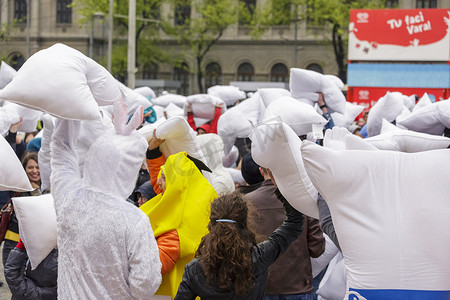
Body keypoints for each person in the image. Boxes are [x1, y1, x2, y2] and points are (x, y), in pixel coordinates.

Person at [50, 102, 161, 299]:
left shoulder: (69, 196)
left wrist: (69, 107)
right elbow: (145, 285)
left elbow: (61, 150)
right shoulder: (134, 221)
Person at [175, 189, 305, 299]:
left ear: (211, 225)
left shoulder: (194, 269)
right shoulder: (260, 256)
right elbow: (295, 223)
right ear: (245, 223)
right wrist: (280, 187)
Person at [141, 129, 218, 298]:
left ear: (176, 183)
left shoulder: (177, 229)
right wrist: (153, 151)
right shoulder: (199, 197)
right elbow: (161, 186)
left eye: (164, 177)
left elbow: (153, 267)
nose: (158, 183)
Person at [245, 167, 325, 299]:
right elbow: (317, 249)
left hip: (260, 288)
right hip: (297, 286)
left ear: (261, 170)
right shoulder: (301, 200)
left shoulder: (246, 202)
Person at [3, 152, 42, 267]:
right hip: (14, 244)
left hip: (39, 246)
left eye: (38, 167)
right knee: (13, 279)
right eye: (30, 167)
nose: (34, 171)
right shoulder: (17, 188)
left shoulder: (48, 189)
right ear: (24, 169)